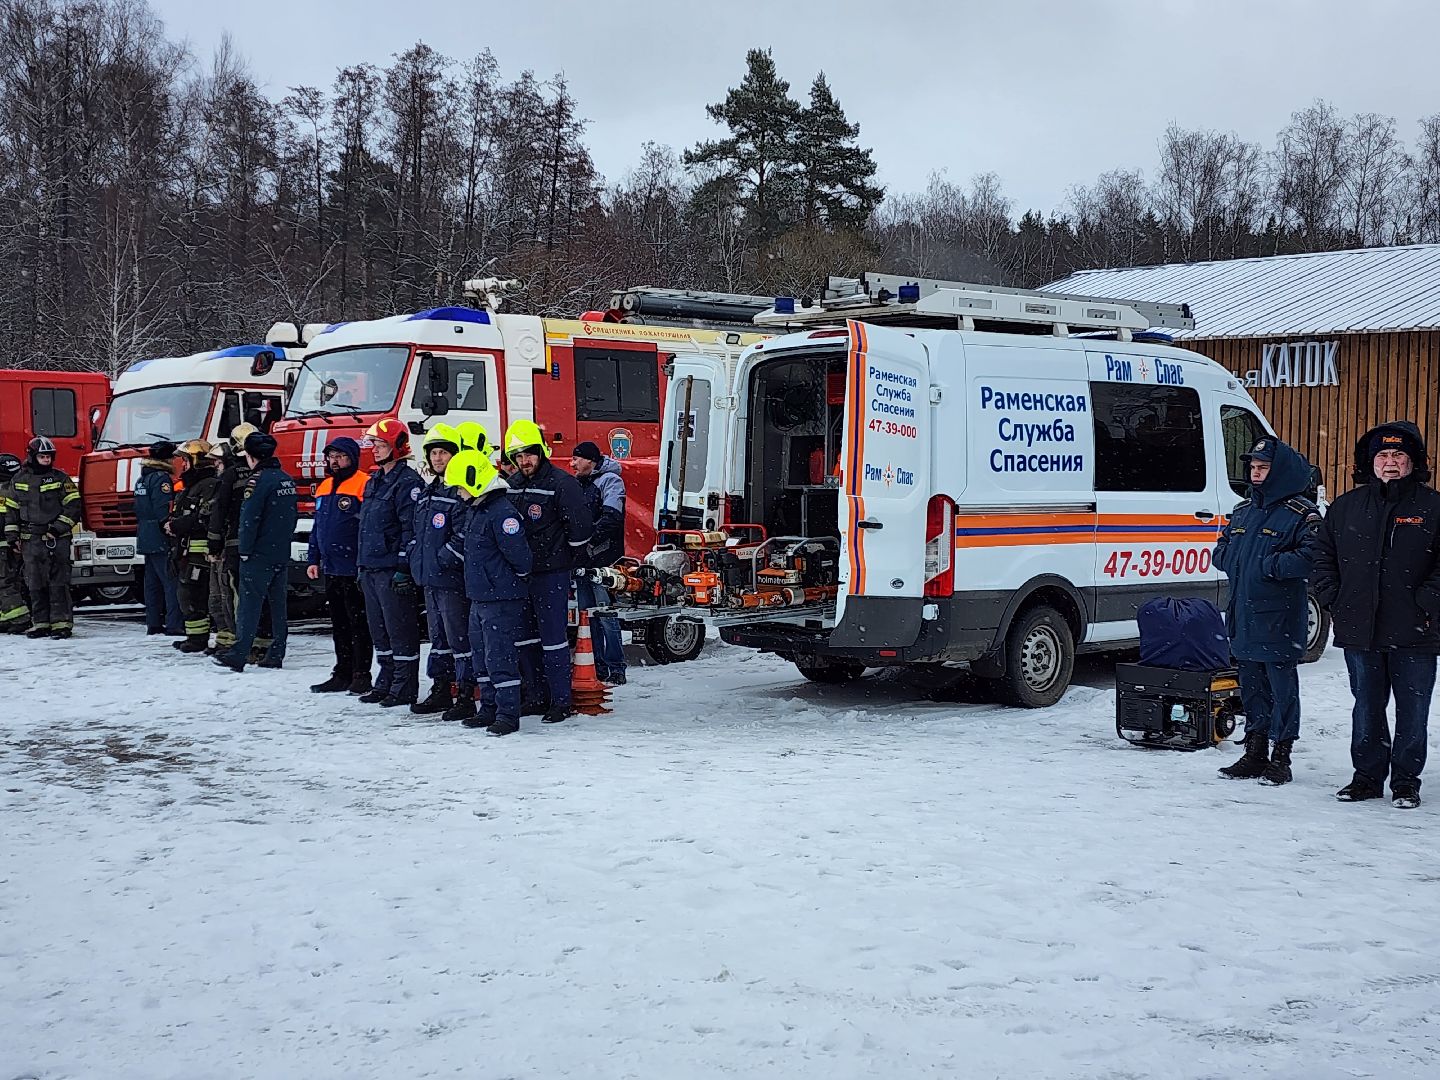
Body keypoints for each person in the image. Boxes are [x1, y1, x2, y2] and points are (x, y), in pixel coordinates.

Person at [1313, 422, 1440, 809]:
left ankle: (1405, 781)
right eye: (1382, 456)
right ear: (1370, 463)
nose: (1389, 463)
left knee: (1413, 710)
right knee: (1367, 707)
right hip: (1360, 629)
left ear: (1413, 462)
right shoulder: (1346, 507)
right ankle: (1366, 777)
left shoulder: (1433, 507)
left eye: (1398, 456)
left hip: (1416, 631)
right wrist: (1334, 597)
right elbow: (1322, 558)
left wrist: (1427, 600)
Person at [1213, 435, 1321, 786]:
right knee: (1251, 687)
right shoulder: (1244, 511)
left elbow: (1313, 556)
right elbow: (1222, 550)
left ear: (1281, 472)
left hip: (1278, 618)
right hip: (1243, 616)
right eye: (1253, 468)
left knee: (1282, 690)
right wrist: (1235, 559)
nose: (1256, 474)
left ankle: (1281, 755)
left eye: (1263, 468)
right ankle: (1255, 750)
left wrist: (1271, 564)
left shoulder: (1300, 514)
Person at [504, 420, 593, 724]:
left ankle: (560, 701)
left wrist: (561, 556)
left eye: (528, 454)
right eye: (517, 456)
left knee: (553, 639)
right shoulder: (512, 485)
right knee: (525, 639)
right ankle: (535, 696)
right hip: (521, 575)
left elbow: (580, 529)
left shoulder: (561, 483)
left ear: (540, 451)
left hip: (551, 575)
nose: (523, 461)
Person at [447, 449, 532, 736]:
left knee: (500, 656)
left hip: (500, 598)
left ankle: (508, 714)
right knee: (481, 656)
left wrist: (505, 582)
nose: (458, 493)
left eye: (460, 486)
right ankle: (489, 708)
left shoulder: (503, 513)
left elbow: (521, 558)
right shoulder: (477, 510)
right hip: (480, 596)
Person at [212, 431, 297, 672]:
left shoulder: (257, 481)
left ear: (250, 457)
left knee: (249, 606)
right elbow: (290, 517)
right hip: (280, 550)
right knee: (278, 606)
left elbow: (248, 519)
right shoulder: (285, 479)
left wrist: (245, 551)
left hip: (258, 553)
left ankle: (239, 653)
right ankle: (277, 652)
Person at [356, 416, 425, 707]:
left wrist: (402, 566)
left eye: (381, 444)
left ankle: (404, 686)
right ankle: (385, 680)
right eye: (374, 443)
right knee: (379, 629)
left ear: (397, 446)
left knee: (400, 629)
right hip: (371, 567)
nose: (375, 449)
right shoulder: (375, 480)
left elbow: (410, 528)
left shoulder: (408, 482)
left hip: (390, 570)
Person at [409, 423, 470, 716]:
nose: (437, 459)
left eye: (443, 452)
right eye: (433, 453)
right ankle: (441, 688)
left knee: (458, 640)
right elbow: (417, 532)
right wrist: (414, 555)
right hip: (431, 580)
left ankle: (466, 694)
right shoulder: (428, 490)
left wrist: (444, 558)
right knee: (438, 640)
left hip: (451, 581)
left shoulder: (459, 491)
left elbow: (464, 534)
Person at [306, 436, 373, 695]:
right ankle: (342, 671)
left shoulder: (363, 483)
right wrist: (313, 558)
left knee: (359, 624)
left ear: (352, 458)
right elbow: (318, 527)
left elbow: (366, 527)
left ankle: (361, 673)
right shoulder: (324, 487)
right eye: (331, 457)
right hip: (331, 567)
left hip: (353, 566)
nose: (334, 461)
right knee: (339, 624)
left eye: (340, 456)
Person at [206, 423, 270, 662]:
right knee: (261, 595)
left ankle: (244, 642)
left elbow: (219, 512)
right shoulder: (269, 472)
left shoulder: (232, 474)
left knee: (238, 596)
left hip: (235, 545)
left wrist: (214, 544)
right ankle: (263, 642)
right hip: (264, 546)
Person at [9, 436, 82, 639]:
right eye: (42, 456)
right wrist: (12, 537)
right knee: (34, 582)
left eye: (49, 456)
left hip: (56, 539)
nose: (46, 460)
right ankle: (41, 623)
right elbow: (11, 511)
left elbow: (74, 506)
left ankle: (62, 624)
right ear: (32, 456)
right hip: (30, 540)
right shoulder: (19, 480)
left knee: (58, 581)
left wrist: (57, 529)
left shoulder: (60, 479)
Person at [570, 440, 627, 684]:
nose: (573, 463)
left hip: (604, 559)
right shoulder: (577, 484)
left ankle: (616, 667)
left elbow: (612, 517)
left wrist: (588, 539)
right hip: (582, 559)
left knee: (606, 614)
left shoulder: (611, 482)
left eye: (577, 459)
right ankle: (598, 665)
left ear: (591, 461)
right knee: (587, 615)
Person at [165, 440, 220, 653]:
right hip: (185, 551)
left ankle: (199, 640)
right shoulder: (189, 487)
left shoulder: (209, 486)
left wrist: (176, 526)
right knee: (186, 596)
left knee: (196, 596)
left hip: (200, 553)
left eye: (186, 460)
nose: (183, 465)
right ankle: (194, 637)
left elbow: (203, 517)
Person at [134, 439, 182, 637]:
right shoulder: (162, 479)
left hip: (145, 534)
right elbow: (164, 509)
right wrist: (169, 528)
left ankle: (153, 623)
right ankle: (174, 624)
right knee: (171, 581)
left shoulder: (142, 479)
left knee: (152, 583)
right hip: (160, 534)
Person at [0, 452, 31, 634]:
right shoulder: (20, 488)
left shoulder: (4, 491)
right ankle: (6, 617)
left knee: (4, 583)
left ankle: (19, 618)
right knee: (12, 581)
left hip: (5, 544)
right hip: (16, 543)